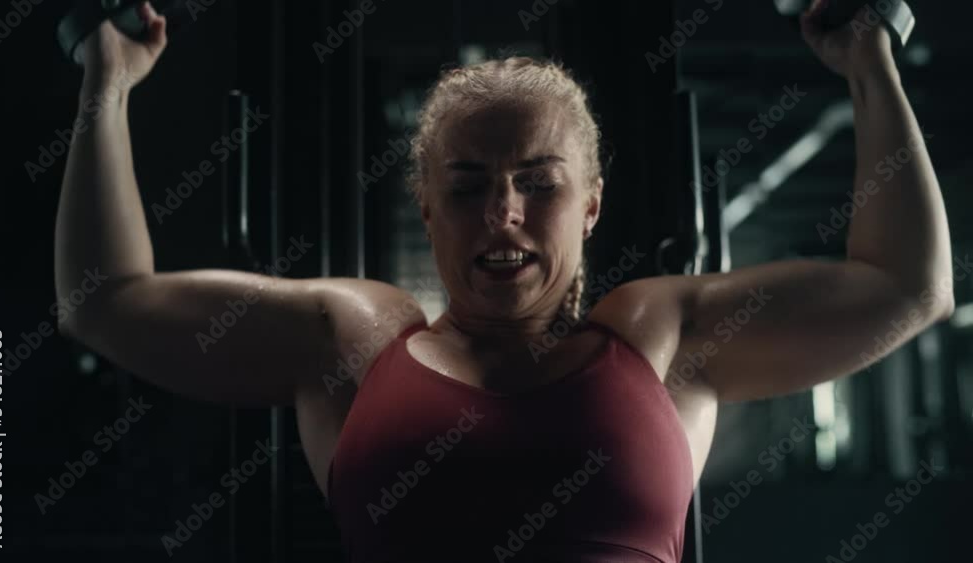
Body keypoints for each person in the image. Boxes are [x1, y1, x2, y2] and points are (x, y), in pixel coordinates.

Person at [55, 1, 954, 561]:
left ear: (591, 205)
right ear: (427, 209)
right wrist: (108, 84)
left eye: (538, 182)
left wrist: (869, 60)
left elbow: (907, 285)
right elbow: (106, 301)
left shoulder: (656, 336)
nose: (503, 213)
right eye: (469, 185)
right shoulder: (358, 339)